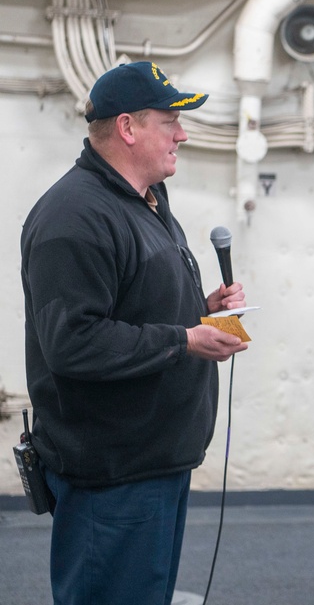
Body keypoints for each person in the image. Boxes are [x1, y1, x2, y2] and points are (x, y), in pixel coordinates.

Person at [20, 61, 249, 605]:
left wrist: (201, 309)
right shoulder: (74, 216)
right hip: (113, 475)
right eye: (170, 120)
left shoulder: (146, 202)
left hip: (155, 459)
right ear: (127, 128)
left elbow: (136, 304)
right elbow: (73, 341)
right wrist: (186, 340)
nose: (182, 133)